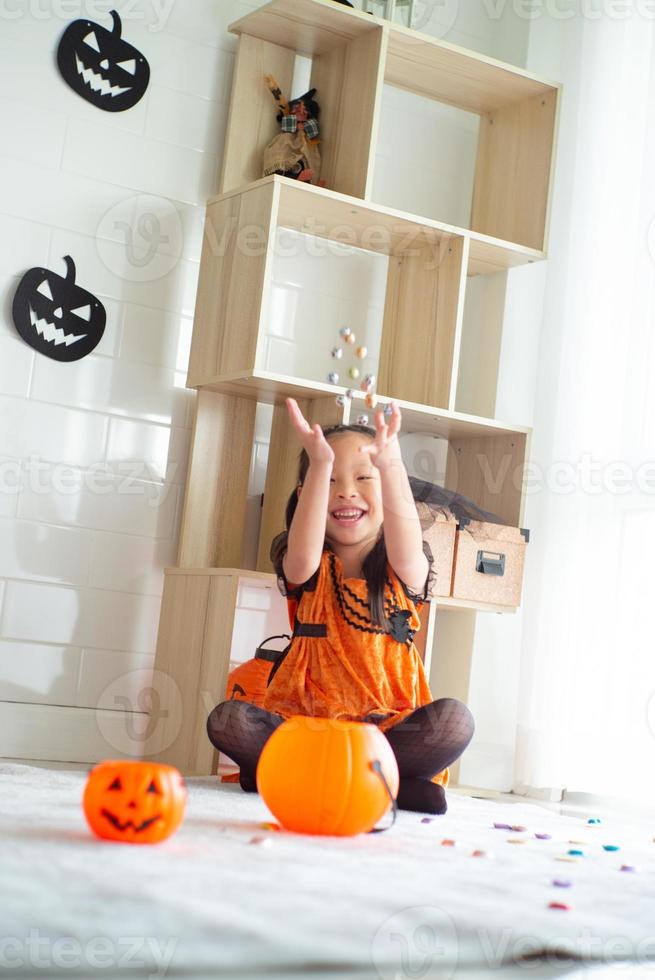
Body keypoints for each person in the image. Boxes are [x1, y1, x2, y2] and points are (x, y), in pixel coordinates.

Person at [207, 398, 474, 814]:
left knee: (454, 721)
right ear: (308, 495)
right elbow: (301, 556)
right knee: (228, 720)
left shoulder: (403, 567)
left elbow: (404, 539)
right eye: (331, 480)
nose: (346, 491)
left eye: (364, 477)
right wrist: (318, 465)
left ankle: (316, 775)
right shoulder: (305, 565)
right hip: (307, 725)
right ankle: (384, 783)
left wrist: (392, 467)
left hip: (384, 725)